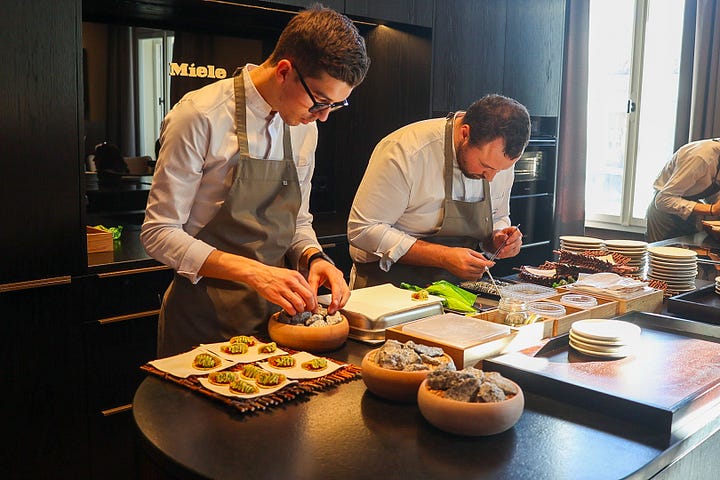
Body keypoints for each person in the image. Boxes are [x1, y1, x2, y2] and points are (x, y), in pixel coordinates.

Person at [141, 4, 370, 357]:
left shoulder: (303, 128)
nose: (323, 118)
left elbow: (298, 221)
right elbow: (159, 234)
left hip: (279, 321)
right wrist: (257, 273)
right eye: (320, 102)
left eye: (335, 106)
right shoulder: (200, 115)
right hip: (203, 321)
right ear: (283, 71)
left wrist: (314, 257)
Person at [347, 94, 530, 289]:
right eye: (485, 166)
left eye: (501, 170)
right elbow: (363, 229)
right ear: (465, 134)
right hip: (386, 287)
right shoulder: (406, 150)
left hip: (457, 290)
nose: (491, 177)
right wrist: (443, 256)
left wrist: (498, 237)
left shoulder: (499, 156)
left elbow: (499, 216)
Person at [645, 138, 720, 243]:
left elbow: (709, 188)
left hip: (690, 217)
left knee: (688, 257)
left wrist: (716, 202)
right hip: (665, 218)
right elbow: (663, 200)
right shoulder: (700, 157)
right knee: (664, 257)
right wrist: (711, 209)